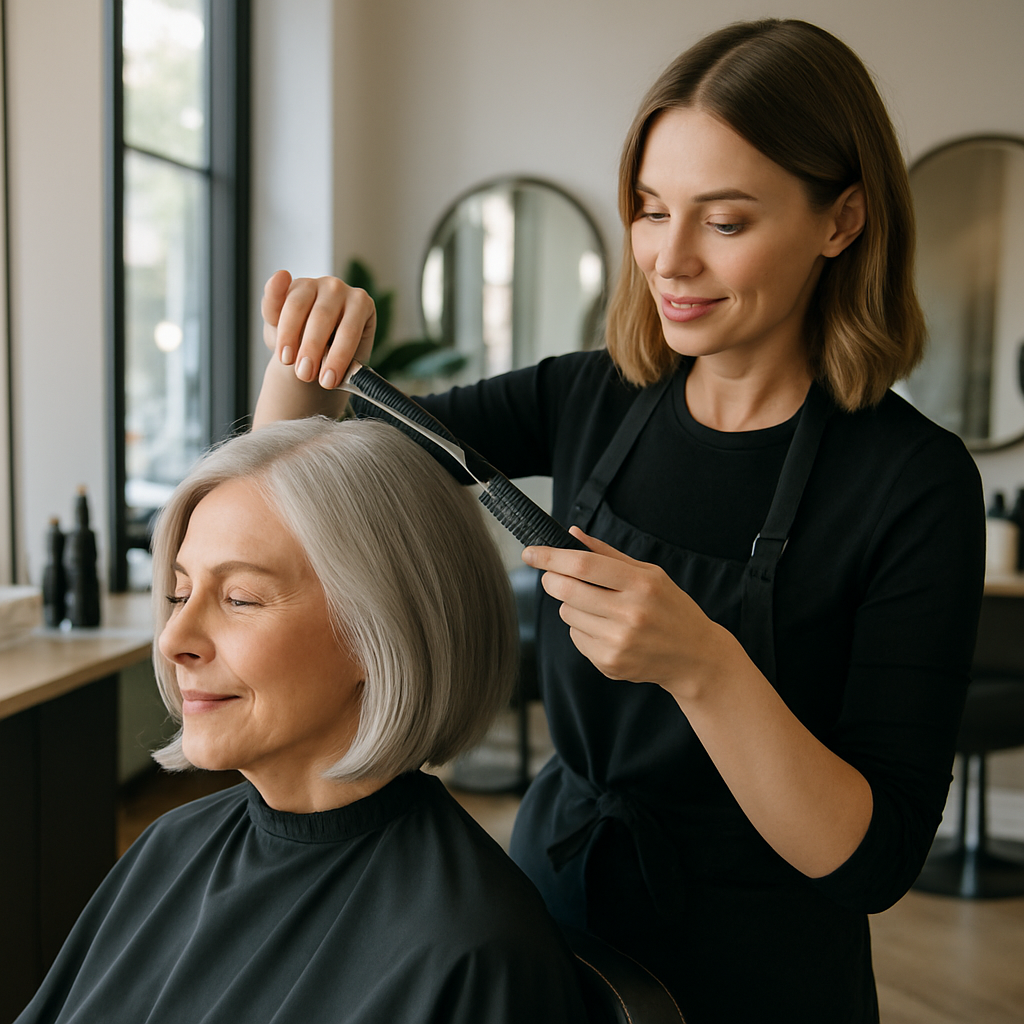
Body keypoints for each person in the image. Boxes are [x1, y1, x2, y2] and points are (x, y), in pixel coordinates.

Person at [251, 19, 986, 1024]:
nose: (669, 260)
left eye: (723, 222)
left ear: (841, 219)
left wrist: (704, 666)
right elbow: (298, 493)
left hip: (761, 972)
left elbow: (873, 861)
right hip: (552, 913)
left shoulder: (913, 484)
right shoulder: (592, 395)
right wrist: (303, 360)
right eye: (648, 210)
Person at [15, 418, 591, 1024]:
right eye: (180, 595)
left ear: (382, 633)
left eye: (240, 598)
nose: (174, 640)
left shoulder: (472, 955)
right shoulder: (168, 847)